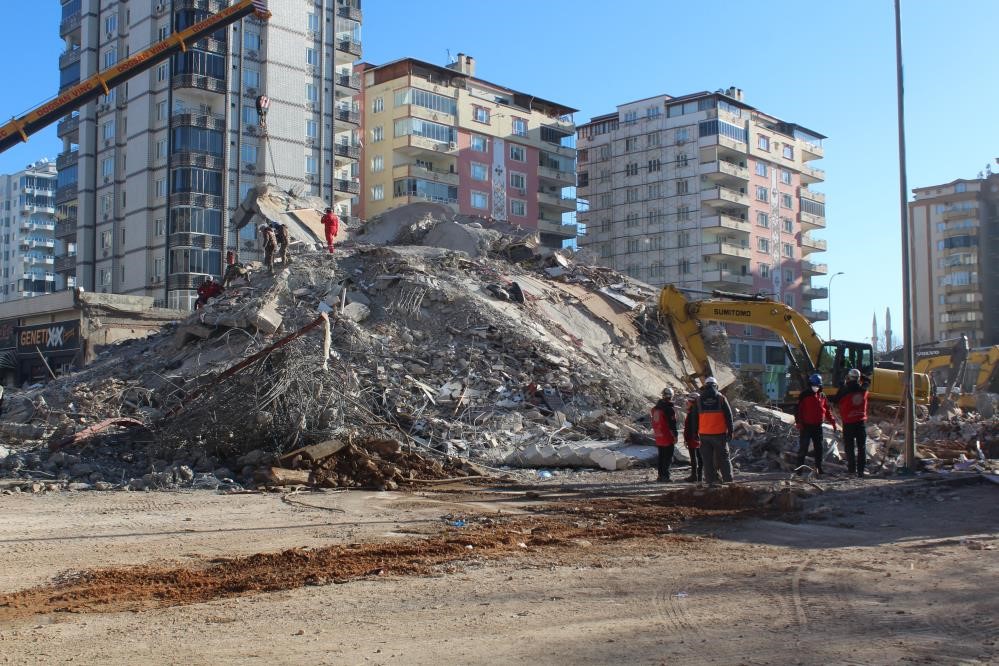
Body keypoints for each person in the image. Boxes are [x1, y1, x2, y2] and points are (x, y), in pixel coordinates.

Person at [687, 376, 734, 487]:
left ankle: (710, 482)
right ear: (716, 386)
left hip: (704, 435)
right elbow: (729, 416)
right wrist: (731, 431)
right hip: (719, 434)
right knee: (724, 459)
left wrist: (694, 433)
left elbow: (694, 418)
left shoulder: (698, 400)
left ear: (705, 386)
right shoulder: (721, 398)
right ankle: (728, 482)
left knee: (707, 460)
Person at [795, 373, 838, 476]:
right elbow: (798, 410)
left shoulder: (822, 396)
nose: (816, 387)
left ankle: (818, 468)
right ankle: (799, 470)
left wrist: (833, 422)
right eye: (814, 385)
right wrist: (799, 422)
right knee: (803, 448)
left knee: (819, 448)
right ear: (810, 384)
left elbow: (827, 411)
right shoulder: (804, 395)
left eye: (817, 385)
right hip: (806, 426)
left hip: (818, 426)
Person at [833, 368, 870, 478]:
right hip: (860, 422)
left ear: (848, 377)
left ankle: (851, 470)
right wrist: (861, 376)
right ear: (858, 378)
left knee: (849, 447)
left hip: (848, 423)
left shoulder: (844, 390)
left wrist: (842, 385)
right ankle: (861, 471)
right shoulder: (863, 389)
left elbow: (835, 400)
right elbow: (867, 380)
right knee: (861, 447)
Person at [650, 388, 679, 483]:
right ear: (671, 396)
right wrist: (675, 436)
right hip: (667, 435)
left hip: (658, 435)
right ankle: (666, 476)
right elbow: (672, 424)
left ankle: (660, 476)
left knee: (661, 456)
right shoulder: (669, 409)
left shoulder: (655, 409)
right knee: (668, 457)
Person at [682, 392, 702, 483]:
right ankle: (698, 476)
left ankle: (695, 476)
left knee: (695, 458)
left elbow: (690, 427)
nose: (687, 402)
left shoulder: (693, 412)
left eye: (689, 401)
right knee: (699, 458)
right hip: (696, 437)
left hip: (693, 438)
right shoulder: (697, 411)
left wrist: (687, 438)